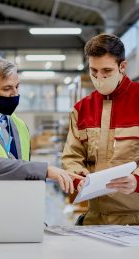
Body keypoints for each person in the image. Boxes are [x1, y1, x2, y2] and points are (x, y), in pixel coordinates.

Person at [0, 57, 83, 196]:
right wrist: (46, 170)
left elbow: (21, 171)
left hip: (11, 208)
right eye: (7, 88)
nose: (15, 94)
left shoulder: (19, 125)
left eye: (17, 87)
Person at [62, 33, 139, 225]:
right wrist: (78, 176)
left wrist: (137, 181)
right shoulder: (82, 108)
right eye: (93, 71)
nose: (99, 78)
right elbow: (72, 156)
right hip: (95, 218)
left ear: (122, 67)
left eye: (106, 71)